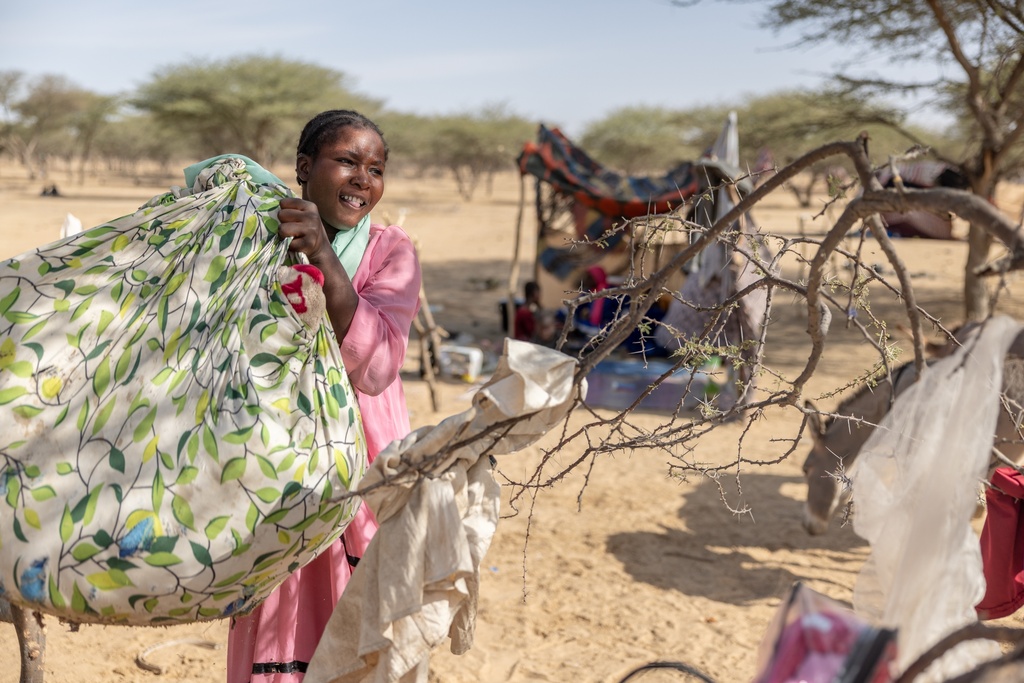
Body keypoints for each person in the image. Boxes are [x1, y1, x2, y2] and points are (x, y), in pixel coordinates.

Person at [226, 110, 422, 682]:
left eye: (376, 168)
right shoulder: (260, 242)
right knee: (276, 624)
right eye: (347, 161)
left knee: (360, 632)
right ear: (305, 169)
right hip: (274, 471)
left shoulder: (391, 251)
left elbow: (378, 363)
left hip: (360, 475)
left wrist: (322, 256)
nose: (364, 178)